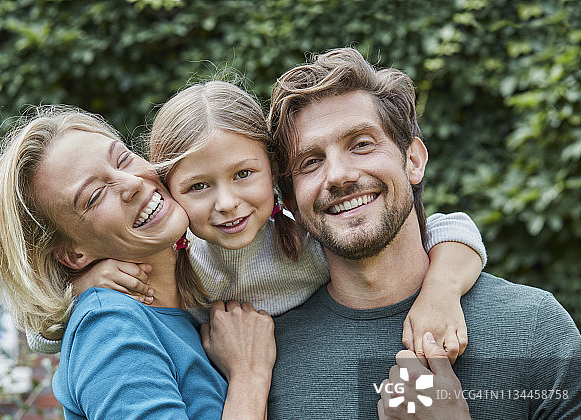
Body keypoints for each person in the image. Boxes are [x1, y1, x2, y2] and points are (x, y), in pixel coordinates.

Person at [264, 47, 581, 420]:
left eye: (362, 144)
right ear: (290, 201)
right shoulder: (264, 355)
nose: (340, 175)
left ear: (413, 160)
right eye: (310, 162)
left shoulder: (532, 327)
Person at [30, 80, 489, 362]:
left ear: (275, 174)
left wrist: (440, 294)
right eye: (198, 187)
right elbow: (41, 337)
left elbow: (455, 230)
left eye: (244, 175)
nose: (227, 203)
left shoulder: (308, 243)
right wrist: (82, 288)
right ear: (169, 189)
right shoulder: (178, 266)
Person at [0, 108, 276, 420]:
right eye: (93, 196)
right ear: (74, 254)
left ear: (410, 160)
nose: (134, 183)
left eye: (122, 160)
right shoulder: (112, 328)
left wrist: (412, 305)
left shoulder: (221, 282)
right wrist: (249, 377)